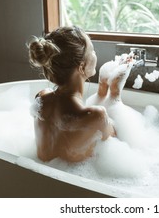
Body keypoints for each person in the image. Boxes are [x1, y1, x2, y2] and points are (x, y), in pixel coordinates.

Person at [28, 26, 132, 163]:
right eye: (92, 50)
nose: (95, 53)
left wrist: (102, 88)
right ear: (82, 67)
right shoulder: (96, 116)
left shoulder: (41, 100)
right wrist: (115, 92)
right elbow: (119, 142)